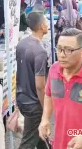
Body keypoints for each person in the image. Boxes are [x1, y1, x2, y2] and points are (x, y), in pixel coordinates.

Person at [16, 12, 49, 149]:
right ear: (41, 26)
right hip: (34, 103)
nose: (47, 24)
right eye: (46, 22)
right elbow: (40, 85)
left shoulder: (21, 44)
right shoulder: (40, 51)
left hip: (22, 98)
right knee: (28, 142)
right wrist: (45, 105)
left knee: (40, 136)